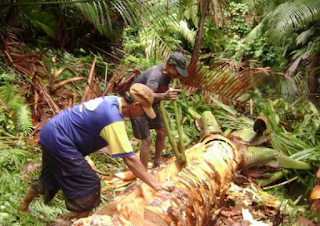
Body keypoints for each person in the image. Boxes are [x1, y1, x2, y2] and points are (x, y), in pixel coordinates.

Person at [19, 83, 173, 219]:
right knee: (88, 184)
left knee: (50, 175)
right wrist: (156, 185)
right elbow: (130, 159)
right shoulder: (113, 119)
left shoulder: (112, 100)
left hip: (50, 132)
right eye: (143, 111)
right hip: (60, 140)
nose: (143, 115)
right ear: (136, 106)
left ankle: (23, 207)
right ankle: (81, 220)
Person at [131, 52, 188, 169]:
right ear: (170, 65)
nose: (178, 75)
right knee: (146, 139)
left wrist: (168, 94)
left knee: (162, 132)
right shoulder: (155, 74)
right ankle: (143, 172)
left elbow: (157, 96)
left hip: (151, 106)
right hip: (137, 106)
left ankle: (156, 162)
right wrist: (163, 96)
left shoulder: (168, 75)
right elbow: (146, 96)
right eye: (177, 71)